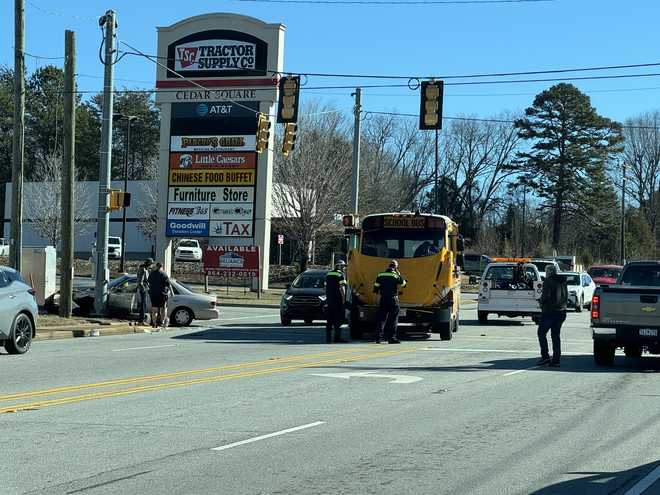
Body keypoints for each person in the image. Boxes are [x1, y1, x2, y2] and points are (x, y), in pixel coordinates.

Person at [537, 264, 568, 367]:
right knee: (555, 335)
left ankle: (545, 357)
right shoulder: (563, 281)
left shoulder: (548, 281)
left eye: (546, 271)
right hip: (562, 311)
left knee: (541, 333)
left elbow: (545, 296)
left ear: (549, 272)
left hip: (550, 311)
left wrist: (541, 302)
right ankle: (556, 360)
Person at [373, 260, 407, 344]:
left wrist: (377, 299)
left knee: (381, 319)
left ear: (388, 266)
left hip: (383, 299)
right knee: (393, 319)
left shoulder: (380, 275)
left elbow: (375, 288)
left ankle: (378, 338)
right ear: (395, 267)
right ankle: (391, 338)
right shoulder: (395, 275)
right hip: (393, 299)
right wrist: (399, 274)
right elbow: (403, 284)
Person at [325, 261, 348, 343]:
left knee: (329, 320)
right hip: (338, 301)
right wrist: (343, 299)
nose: (344, 268)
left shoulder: (328, 274)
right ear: (340, 266)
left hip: (329, 300)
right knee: (338, 320)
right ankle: (337, 338)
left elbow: (326, 287)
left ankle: (328, 339)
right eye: (343, 266)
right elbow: (342, 288)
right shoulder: (341, 274)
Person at [147, 262, 172, 331]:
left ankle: (154, 324)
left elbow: (148, 283)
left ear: (156, 266)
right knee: (163, 308)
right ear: (162, 266)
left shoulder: (152, 274)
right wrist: (171, 293)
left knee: (154, 310)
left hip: (153, 294)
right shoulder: (164, 274)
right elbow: (168, 284)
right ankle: (162, 322)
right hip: (162, 294)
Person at [136, 258, 153, 325]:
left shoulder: (144, 269)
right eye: (151, 264)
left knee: (144, 305)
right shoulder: (143, 269)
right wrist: (144, 289)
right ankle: (141, 321)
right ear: (149, 263)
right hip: (143, 289)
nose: (151, 265)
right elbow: (140, 281)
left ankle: (141, 320)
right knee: (143, 305)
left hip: (144, 289)